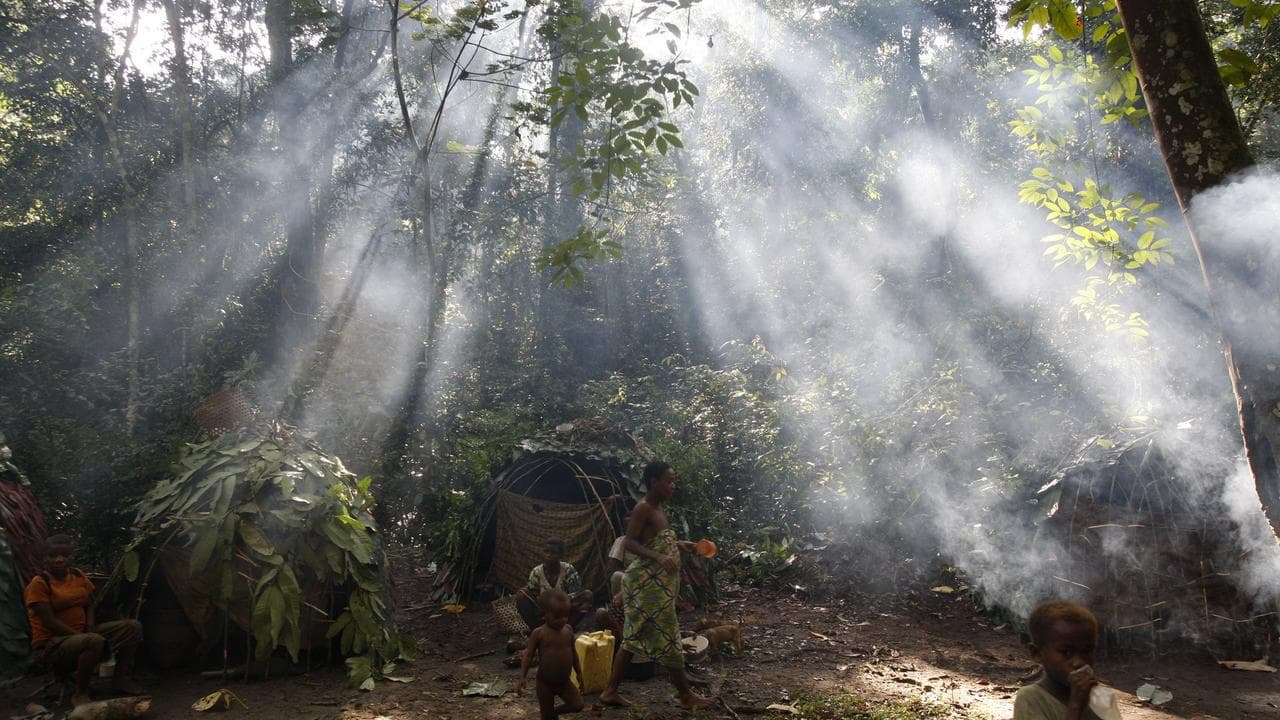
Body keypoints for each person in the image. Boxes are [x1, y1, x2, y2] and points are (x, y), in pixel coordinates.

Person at [599, 461, 711, 709]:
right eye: (669, 481)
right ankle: (685, 695)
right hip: (645, 587)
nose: (673, 485)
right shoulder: (644, 508)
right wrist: (660, 557)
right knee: (669, 636)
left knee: (632, 638)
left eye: (674, 481)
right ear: (654, 481)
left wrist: (680, 545)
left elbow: (654, 541)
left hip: (658, 588)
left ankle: (609, 691)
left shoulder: (659, 510)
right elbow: (629, 542)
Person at [25, 535, 143, 707]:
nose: (59, 560)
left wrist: (90, 626)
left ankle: (119, 680)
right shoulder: (39, 583)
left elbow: (90, 604)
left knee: (132, 626)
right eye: (53, 555)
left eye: (65, 555)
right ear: (45, 558)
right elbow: (49, 621)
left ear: (72, 556)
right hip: (53, 643)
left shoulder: (78, 576)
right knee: (93, 640)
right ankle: (80, 693)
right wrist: (83, 635)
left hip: (82, 634)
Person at [1014, 601, 1102, 720]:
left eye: (1087, 651)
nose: (1079, 662)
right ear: (1037, 653)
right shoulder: (1031, 699)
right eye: (1066, 652)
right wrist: (1076, 706)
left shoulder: (1096, 698)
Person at [515, 588, 585, 719]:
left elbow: (574, 653)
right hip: (544, 683)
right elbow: (528, 655)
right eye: (557, 617)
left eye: (566, 615)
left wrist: (579, 672)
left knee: (578, 704)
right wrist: (522, 677)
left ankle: (554, 713)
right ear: (544, 614)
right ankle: (550, 715)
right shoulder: (539, 633)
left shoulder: (568, 630)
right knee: (547, 717)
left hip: (564, 682)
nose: (562, 620)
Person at [516, 539, 593, 630]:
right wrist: (548, 604)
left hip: (564, 610)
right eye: (546, 551)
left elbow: (575, 593)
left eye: (553, 552)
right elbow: (534, 594)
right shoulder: (536, 572)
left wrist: (558, 603)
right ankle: (537, 630)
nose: (548, 555)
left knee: (587, 595)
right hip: (544, 610)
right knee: (521, 596)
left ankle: (567, 628)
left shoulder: (568, 570)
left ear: (561, 555)